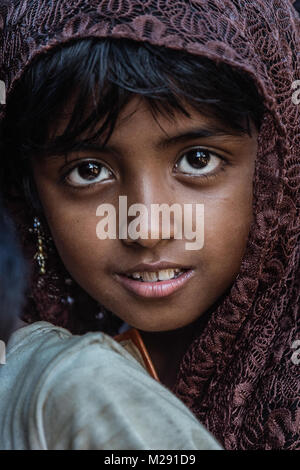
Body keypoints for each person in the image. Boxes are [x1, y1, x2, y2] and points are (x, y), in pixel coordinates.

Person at [0, 0, 299, 450]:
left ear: (279, 166)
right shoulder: (27, 378)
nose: (147, 229)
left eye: (197, 159)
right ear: (32, 195)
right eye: (88, 170)